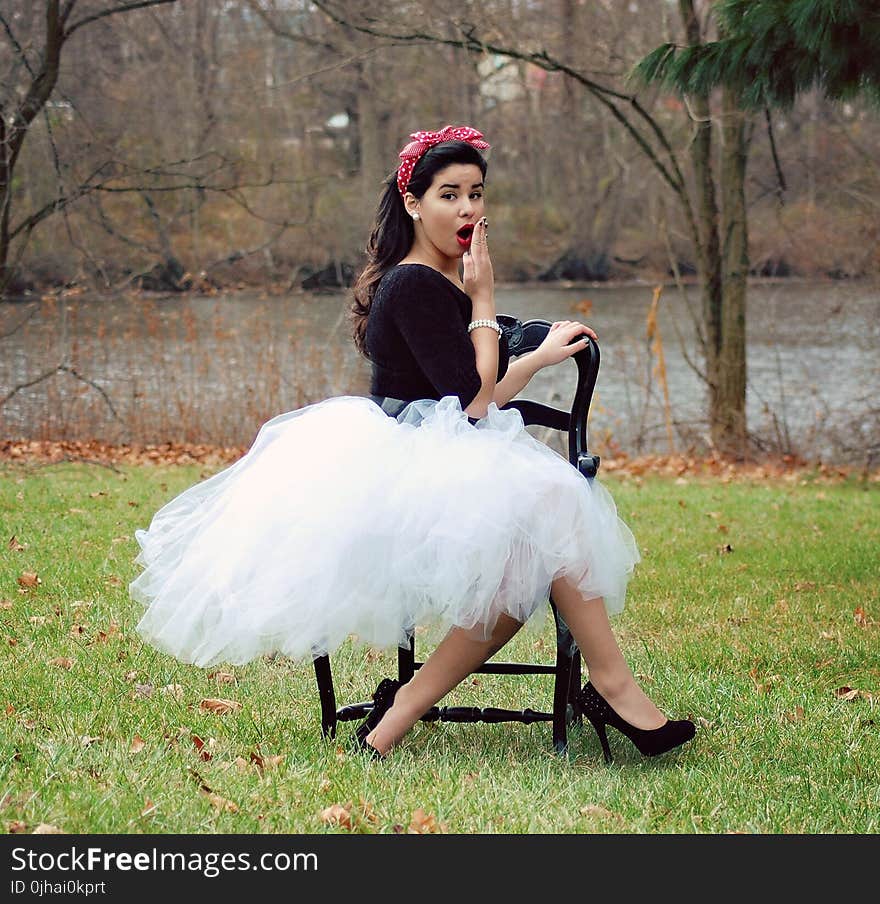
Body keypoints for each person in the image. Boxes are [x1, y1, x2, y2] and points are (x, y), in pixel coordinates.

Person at [130, 124, 695, 765]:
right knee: (552, 506)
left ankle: (400, 720)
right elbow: (474, 400)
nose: (468, 209)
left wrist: (532, 356)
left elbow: (468, 393)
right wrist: (484, 298)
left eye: (476, 194)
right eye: (449, 195)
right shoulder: (414, 284)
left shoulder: (437, 280)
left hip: (440, 444)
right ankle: (612, 690)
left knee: (526, 560)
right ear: (413, 203)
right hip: (404, 466)